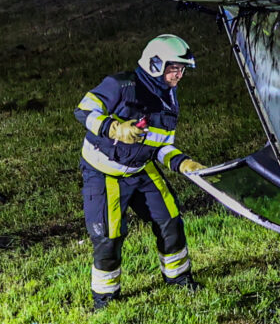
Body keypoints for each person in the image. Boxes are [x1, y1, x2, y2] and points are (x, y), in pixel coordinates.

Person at [79, 34, 209, 309]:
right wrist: (113, 128)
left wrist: (183, 162)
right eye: (173, 68)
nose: (179, 75)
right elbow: (83, 110)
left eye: (182, 69)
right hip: (104, 172)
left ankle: (178, 278)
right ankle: (105, 299)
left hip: (141, 168)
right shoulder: (120, 85)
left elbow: (161, 146)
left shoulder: (169, 99)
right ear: (155, 64)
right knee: (109, 236)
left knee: (170, 219)